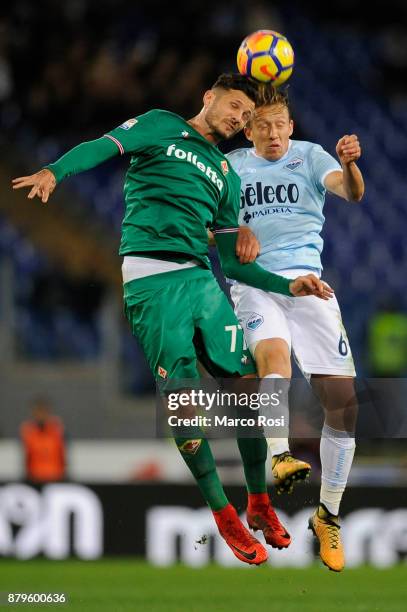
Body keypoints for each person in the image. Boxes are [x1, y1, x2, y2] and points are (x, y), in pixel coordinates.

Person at [12, 73, 332, 566]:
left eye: (247, 117)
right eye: (234, 107)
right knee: (186, 406)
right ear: (209, 96)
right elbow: (104, 146)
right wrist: (56, 171)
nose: (238, 119)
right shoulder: (160, 125)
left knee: (248, 383)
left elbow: (234, 263)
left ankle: (258, 503)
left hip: (201, 279)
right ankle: (224, 516)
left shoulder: (225, 176)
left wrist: (288, 285)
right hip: (152, 281)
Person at [227, 88, 364, 571]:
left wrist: (348, 164)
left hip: (311, 287)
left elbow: (350, 191)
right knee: (274, 359)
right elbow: (204, 222)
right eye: (262, 125)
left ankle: (327, 516)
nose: (273, 133)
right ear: (248, 131)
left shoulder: (310, 155)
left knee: (343, 406)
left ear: (290, 125)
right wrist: (229, 233)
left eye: (280, 123)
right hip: (258, 284)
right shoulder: (232, 166)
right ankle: (280, 454)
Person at [20, 397, 66, 483]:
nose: (40, 415)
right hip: (34, 477)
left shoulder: (57, 430)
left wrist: (63, 475)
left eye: (43, 411)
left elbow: (62, 454)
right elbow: (27, 456)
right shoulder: (28, 431)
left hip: (55, 476)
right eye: (37, 411)